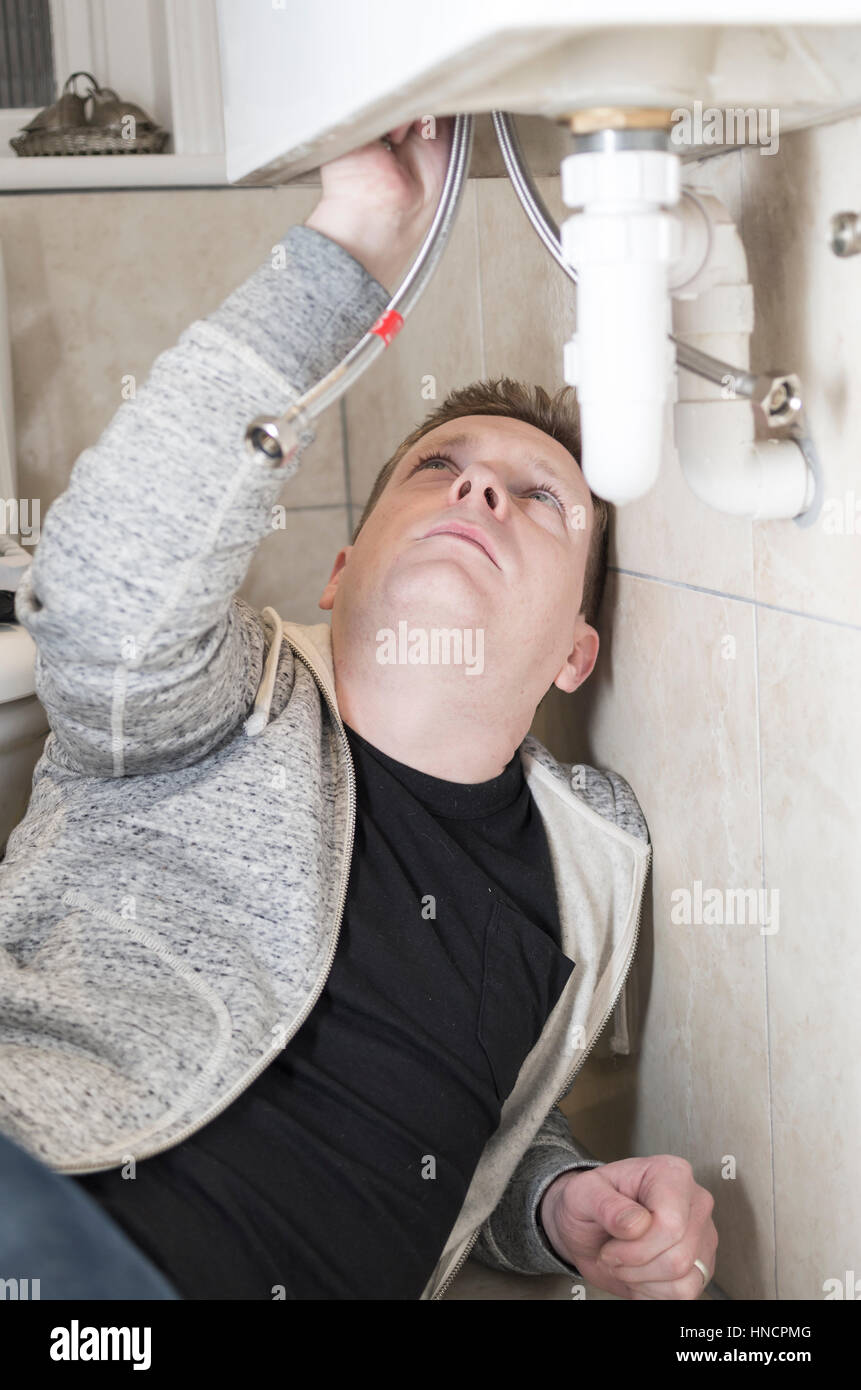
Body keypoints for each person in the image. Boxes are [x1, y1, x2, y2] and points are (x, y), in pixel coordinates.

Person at [0, 116, 717, 1301]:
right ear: (337, 574)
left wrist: (553, 1203)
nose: (479, 484)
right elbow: (103, 588)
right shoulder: (207, 707)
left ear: (577, 652)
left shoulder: (586, 870)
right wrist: (354, 241)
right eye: (438, 467)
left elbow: (445, 1108)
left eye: (540, 496)